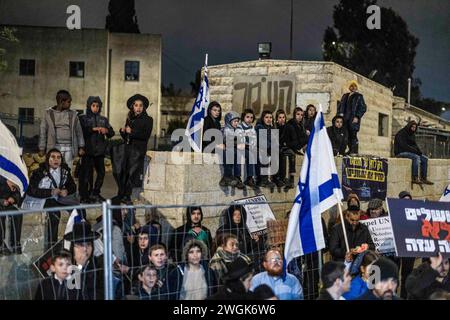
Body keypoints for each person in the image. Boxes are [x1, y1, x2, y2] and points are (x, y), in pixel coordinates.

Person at [26, 148, 80, 250]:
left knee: (79, 211)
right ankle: (52, 247)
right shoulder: (39, 172)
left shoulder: (64, 171)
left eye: (59, 157)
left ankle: (77, 242)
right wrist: (50, 192)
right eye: (53, 157)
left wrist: (67, 191)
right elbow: (31, 190)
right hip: (45, 199)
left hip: (60, 198)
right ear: (48, 159)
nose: (56, 160)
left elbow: (72, 186)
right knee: (55, 214)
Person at [78, 96, 115, 203]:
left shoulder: (103, 120)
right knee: (86, 175)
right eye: (93, 105)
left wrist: (106, 130)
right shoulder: (83, 118)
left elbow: (111, 133)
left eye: (97, 106)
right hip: (87, 151)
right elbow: (81, 132)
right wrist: (93, 129)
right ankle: (84, 196)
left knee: (101, 173)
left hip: (99, 152)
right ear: (89, 106)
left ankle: (95, 193)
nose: (95, 108)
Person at [117, 94, 153, 202]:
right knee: (124, 174)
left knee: (133, 175)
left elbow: (145, 135)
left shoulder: (148, 120)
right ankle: (122, 195)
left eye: (141, 105)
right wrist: (122, 132)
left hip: (138, 152)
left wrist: (131, 132)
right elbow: (127, 138)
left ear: (144, 107)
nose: (138, 108)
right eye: (136, 105)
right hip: (128, 150)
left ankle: (128, 197)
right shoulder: (130, 119)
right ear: (133, 107)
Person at [38, 90, 85, 169]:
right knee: (54, 169)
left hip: (69, 147)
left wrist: (81, 146)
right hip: (54, 147)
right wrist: (42, 148)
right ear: (61, 102)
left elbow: (79, 132)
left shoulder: (73, 115)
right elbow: (43, 132)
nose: (70, 104)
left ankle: (67, 181)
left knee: (68, 170)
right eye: (69, 102)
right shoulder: (49, 114)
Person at [64, 221, 104, 300]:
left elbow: (101, 292)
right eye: (81, 245)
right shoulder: (65, 266)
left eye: (88, 244)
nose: (85, 249)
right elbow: (71, 294)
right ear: (73, 248)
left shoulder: (98, 264)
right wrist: (79, 267)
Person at [394, 120, 433, 185]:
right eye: (412, 127)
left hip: (409, 152)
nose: (413, 129)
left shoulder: (412, 134)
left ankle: (424, 178)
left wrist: (419, 151)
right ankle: (415, 177)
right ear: (409, 126)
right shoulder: (401, 133)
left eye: (415, 128)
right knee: (416, 157)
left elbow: (414, 145)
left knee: (424, 159)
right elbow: (403, 146)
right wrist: (414, 151)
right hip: (400, 152)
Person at [395, 190, 417, 299]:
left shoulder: (415, 214)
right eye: (404, 200)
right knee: (394, 275)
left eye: (409, 200)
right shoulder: (394, 213)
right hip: (397, 249)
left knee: (407, 275)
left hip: (409, 248)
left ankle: (404, 297)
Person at [337, 80, 367, 154]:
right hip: (344, 119)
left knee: (353, 135)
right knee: (345, 135)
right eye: (351, 86)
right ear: (349, 87)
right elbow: (340, 106)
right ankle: (347, 150)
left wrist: (357, 116)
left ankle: (354, 151)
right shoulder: (345, 95)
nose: (353, 87)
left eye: (354, 86)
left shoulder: (359, 96)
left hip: (353, 119)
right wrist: (339, 114)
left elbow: (363, 108)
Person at [284, 107, 308, 188]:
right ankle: (291, 179)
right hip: (289, 146)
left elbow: (301, 139)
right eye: (298, 114)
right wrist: (306, 138)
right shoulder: (291, 125)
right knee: (292, 155)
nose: (300, 116)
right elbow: (294, 141)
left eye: (301, 115)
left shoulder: (300, 125)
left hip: (297, 146)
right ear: (294, 115)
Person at [220, 111, 245, 188]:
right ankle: (227, 176)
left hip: (235, 148)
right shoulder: (224, 129)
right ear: (229, 121)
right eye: (234, 121)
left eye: (237, 121)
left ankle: (237, 177)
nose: (236, 123)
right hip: (227, 148)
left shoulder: (239, 129)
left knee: (238, 155)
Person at [273, 109, 296, 189]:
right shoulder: (274, 127)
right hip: (277, 148)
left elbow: (294, 140)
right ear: (276, 119)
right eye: (280, 117)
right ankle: (280, 177)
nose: (282, 119)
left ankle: (291, 179)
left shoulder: (289, 127)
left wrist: (287, 144)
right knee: (280, 154)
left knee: (292, 154)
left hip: (286, 147)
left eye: (283, 117)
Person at [0, 177, 22, 255]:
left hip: (8, 203)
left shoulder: (10, 175)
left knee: (18, 214)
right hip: (1, 203)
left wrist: (13, 198)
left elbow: (18, 192)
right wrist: (2, 201)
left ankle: (16, 242)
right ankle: (1, 245)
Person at [255, 110, 276, 188]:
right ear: (262, 118)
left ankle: (275, 179)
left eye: (270, 117)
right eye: (266, 117)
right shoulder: (259, 127)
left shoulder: (270, 128)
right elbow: (263, 143)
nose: (269, 119)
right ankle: (263, 181)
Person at [237, 109, 257, 187]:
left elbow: (254, 139)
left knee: (253, 155)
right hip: (240, 147)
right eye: (247, 117)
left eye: (251, 117)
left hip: (249, 147)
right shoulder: (239, 126)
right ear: (243, 117)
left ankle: (250, 178)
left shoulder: (252, 128)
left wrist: (250, 143)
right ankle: (238, 177)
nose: (249, 119)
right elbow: (240, 138)